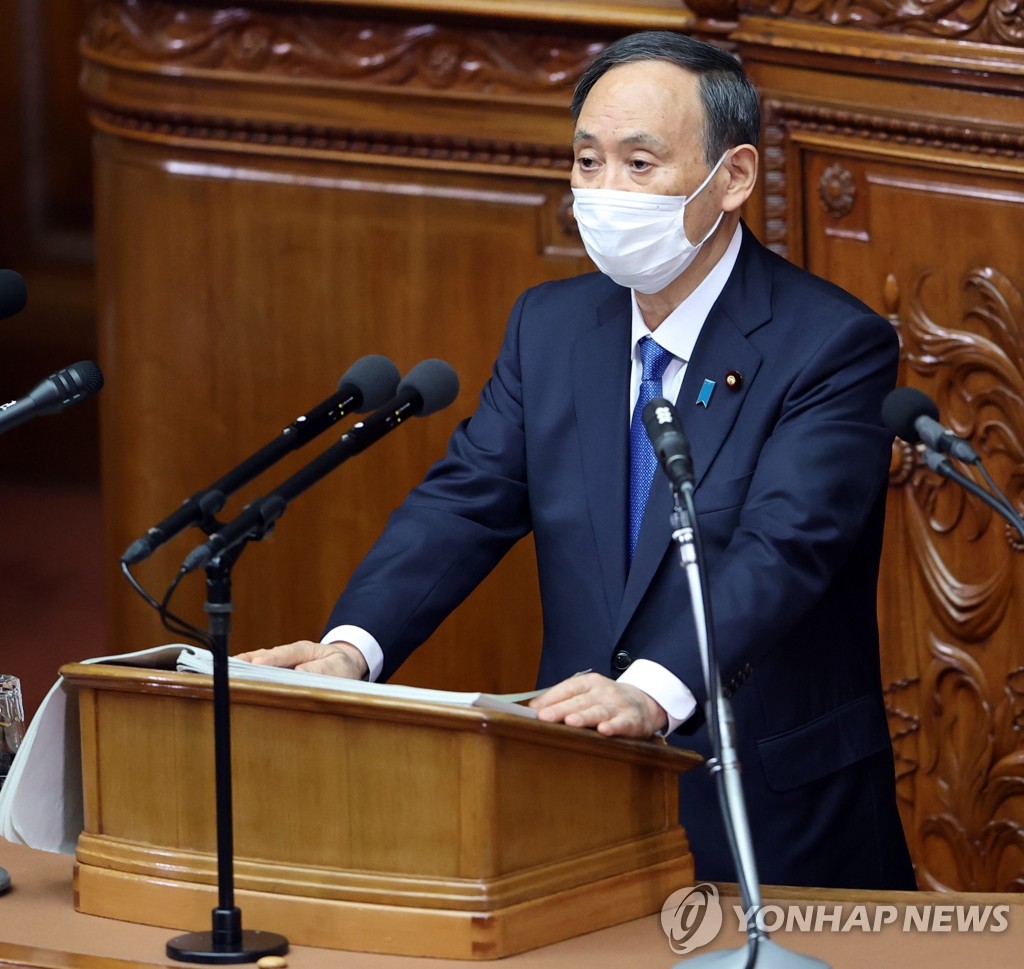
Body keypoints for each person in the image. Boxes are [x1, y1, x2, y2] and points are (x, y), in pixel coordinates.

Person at [238, 30, 916, 891]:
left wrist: (655, 688)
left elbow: (783, 549)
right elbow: (465, 502)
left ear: (734, 177)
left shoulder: (831, 345)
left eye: (640, 164)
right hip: (575, 800)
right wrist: (352, 649)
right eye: (587, 162)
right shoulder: (551, 326)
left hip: (769, 813)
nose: (604, 192)